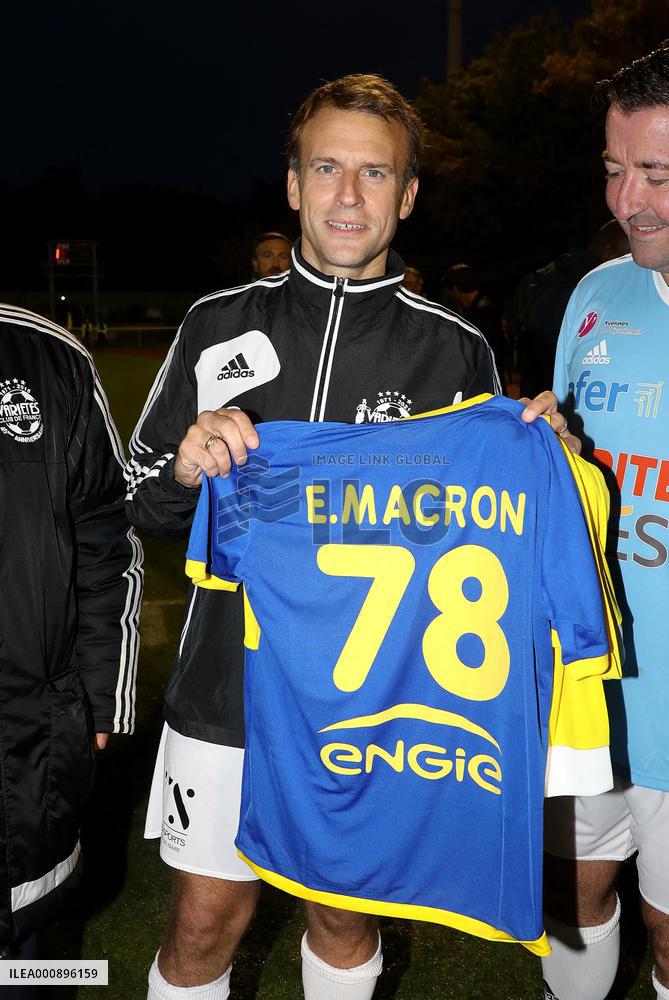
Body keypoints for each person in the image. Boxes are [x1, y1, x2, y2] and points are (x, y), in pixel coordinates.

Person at [125, 73, 574, 1000]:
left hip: (373, 698)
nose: (346, 195)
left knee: (344, 909)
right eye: (326, 168)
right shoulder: (218, 325)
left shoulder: (454, 348)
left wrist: (544, 461)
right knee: (204, 920)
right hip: (226, 690)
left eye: (375, 175)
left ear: (407, 197)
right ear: (291, 183)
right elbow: (135, 501)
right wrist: (184, 463)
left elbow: (487, 529)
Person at [542, 40, 669, 1000]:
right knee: (571, 905)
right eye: (614, 170)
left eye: (656, 173)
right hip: (588, 692)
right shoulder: (594, 293)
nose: (627, 201)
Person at [0, 304, 142, 993]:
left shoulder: (46, 356)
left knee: (27, 960)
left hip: (26, 742)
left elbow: (105, 533)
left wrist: (103, 692)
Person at [516, 220, 629, 399]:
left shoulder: (552, 281)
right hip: (568, 402)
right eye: (629, 255)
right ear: (609, 251)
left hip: (539, 398)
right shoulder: (591, 290)